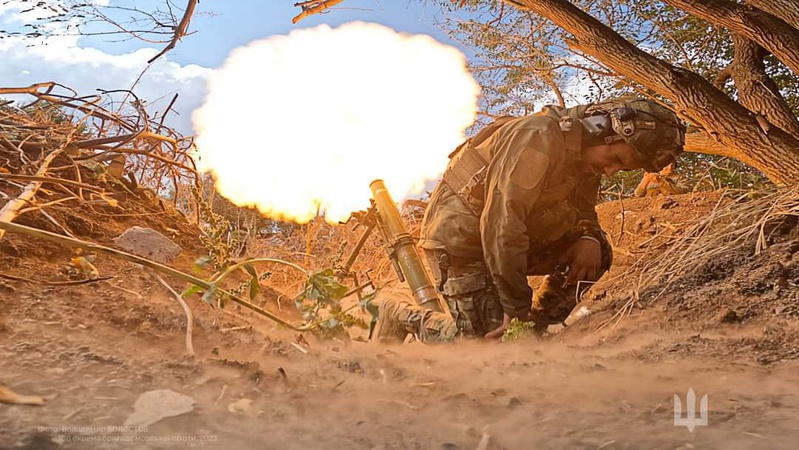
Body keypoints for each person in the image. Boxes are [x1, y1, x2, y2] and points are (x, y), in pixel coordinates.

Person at [376, 97, 686, 343]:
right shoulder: (536, 137)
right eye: (616, 160)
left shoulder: (583, 157)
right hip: (461, 246)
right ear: (597, 127)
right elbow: (502, 225)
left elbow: (584, 212)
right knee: (481, 347)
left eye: (622, 169)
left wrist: (590, 238)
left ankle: (534, 335)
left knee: (597, 251)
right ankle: (400, 314)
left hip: (506, 239)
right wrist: (516, 310)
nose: (610, 172)